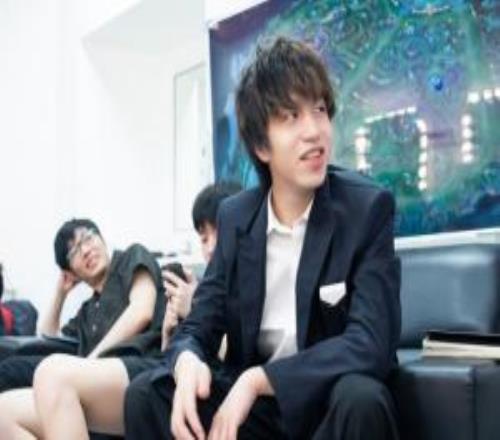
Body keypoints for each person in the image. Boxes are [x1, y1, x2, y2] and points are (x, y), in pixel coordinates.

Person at [124, 36, 401, 440]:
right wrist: (186, 361)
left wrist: (258, 380)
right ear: (260, 145)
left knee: (361, 398)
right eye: (291, 116)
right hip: (258, 416)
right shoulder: (236, 218)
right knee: (147, 394)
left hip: (325, 402)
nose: (314, 131)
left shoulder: (367, 208)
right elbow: (197, 326)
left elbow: (371, 343)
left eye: (319, 110)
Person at [0, 218, 166, 438]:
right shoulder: (87, 311)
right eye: (75, 251)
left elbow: (142, 311)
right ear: (71, 273)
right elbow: (46, 336)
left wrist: (89, 361)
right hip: (93, 389)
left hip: (142, 369)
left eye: (88, 238)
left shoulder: (130, 258)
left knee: (52, 373)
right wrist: (60, 293)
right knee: (3, 412)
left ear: (101, 238)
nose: (86, 250)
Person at [161, 181, 242, 349]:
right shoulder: (205, 289)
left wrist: (195, 311)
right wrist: (168, 335)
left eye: (220, 233)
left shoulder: (258, 284)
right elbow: (167, 358)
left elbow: (242, 355)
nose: (211, 248)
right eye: (204, 239)